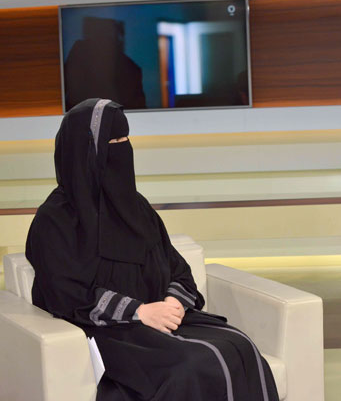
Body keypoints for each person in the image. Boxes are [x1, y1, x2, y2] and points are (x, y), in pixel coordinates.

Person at [26, 98, 279, 401]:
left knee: (241, 346)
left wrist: (174, 302)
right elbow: (64, 293)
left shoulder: (136, 207)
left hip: (163, 320)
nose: (123, 148)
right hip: (108, 332)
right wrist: (140, 312)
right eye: (113, 142)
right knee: (192, 365)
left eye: (125, 139)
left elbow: (176, 267)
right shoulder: (56, 219)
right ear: (85, 153)